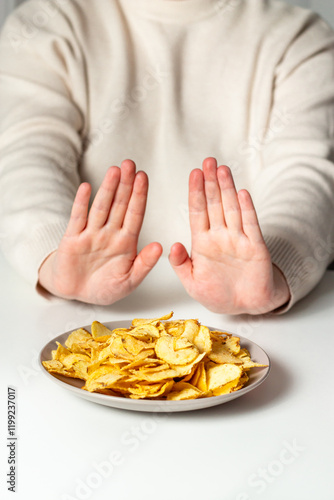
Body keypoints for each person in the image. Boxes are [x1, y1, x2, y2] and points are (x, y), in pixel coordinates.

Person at [0, 0, 333, 315]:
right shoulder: (44, 25)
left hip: (264, 332)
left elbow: (306, 172)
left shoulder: (300, 37)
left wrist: (274, 269)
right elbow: (26, 155)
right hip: (67, 320)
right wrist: (53, 257)